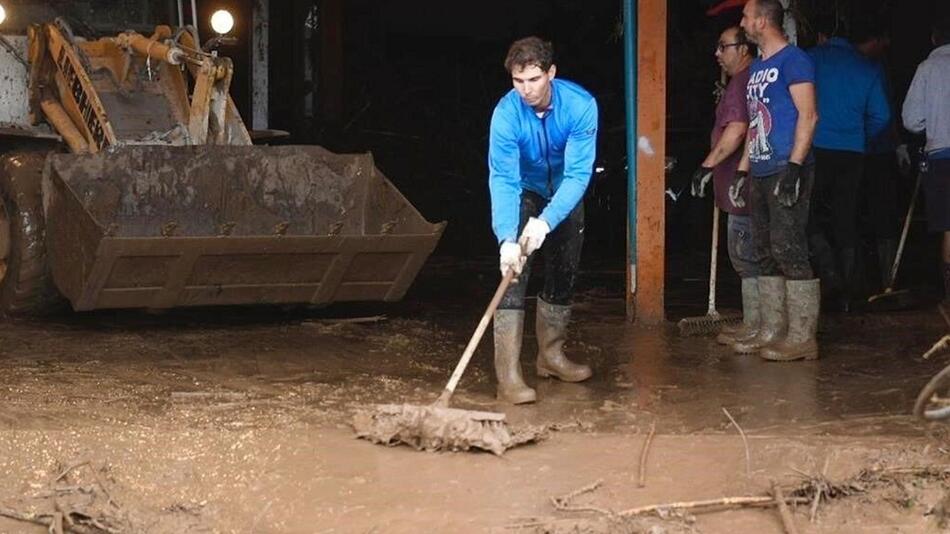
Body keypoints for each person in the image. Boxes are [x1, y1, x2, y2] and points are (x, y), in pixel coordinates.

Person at [488, 36, 598, 404]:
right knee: (514, 273)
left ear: (551, 73)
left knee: (564, 269)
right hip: (524, 191)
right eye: (518, 81)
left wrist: (547, 220)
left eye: (534, 80)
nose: (526, 90)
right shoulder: (506, 114)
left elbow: (579, 175)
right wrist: (507, 236)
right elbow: (502, 178)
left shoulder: (581, 106)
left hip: (564, 193)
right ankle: (508, 375)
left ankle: (550, 356)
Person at [733, 0, 820, 361]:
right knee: (765, 251)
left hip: (786, 166)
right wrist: (743, 168)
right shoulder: (758, 69)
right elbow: (756, 124)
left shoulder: (794, 60)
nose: (742, 22)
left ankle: (802, 338)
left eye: (745, 16)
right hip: (762, 167)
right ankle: (772, 331)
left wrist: (795, 167)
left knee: (789, 247)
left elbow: (809, 115)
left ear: (762, 21)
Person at [806, 19, 891, 311]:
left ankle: (828, 274)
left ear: (823, 36)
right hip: (853, 152)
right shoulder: (868, 67)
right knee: (846, 216)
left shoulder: (811, 58)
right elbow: (882, 115)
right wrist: (860, 137)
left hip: (815, 147)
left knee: (809, 213)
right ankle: (851, 290)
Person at [689, 26, 762, 346]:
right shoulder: (741, 82)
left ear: (744, 49)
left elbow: (736, 130)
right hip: (738, 187)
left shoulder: (743, 81)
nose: (717, 53)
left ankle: (757, 325)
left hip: (742, 187)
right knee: (748, 255)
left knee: (747, 256)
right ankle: (755, 322)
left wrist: (707, 165)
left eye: (723, 47)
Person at [854, 21, 913, 294]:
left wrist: (898, 145)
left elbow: (888, 109)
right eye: (884, 40)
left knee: (880, 213)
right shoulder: (864, 66)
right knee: (866, 214)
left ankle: (885, 279)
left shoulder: (877, 66)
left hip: (872, 151)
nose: (887, 46)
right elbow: (884, 113)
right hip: (863, 150)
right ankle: (870, 280)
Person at [902, 14, 950, 306]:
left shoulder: (928, 68)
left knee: (949, 227)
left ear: (934, 38)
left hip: (942, 157)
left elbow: (911, 120)